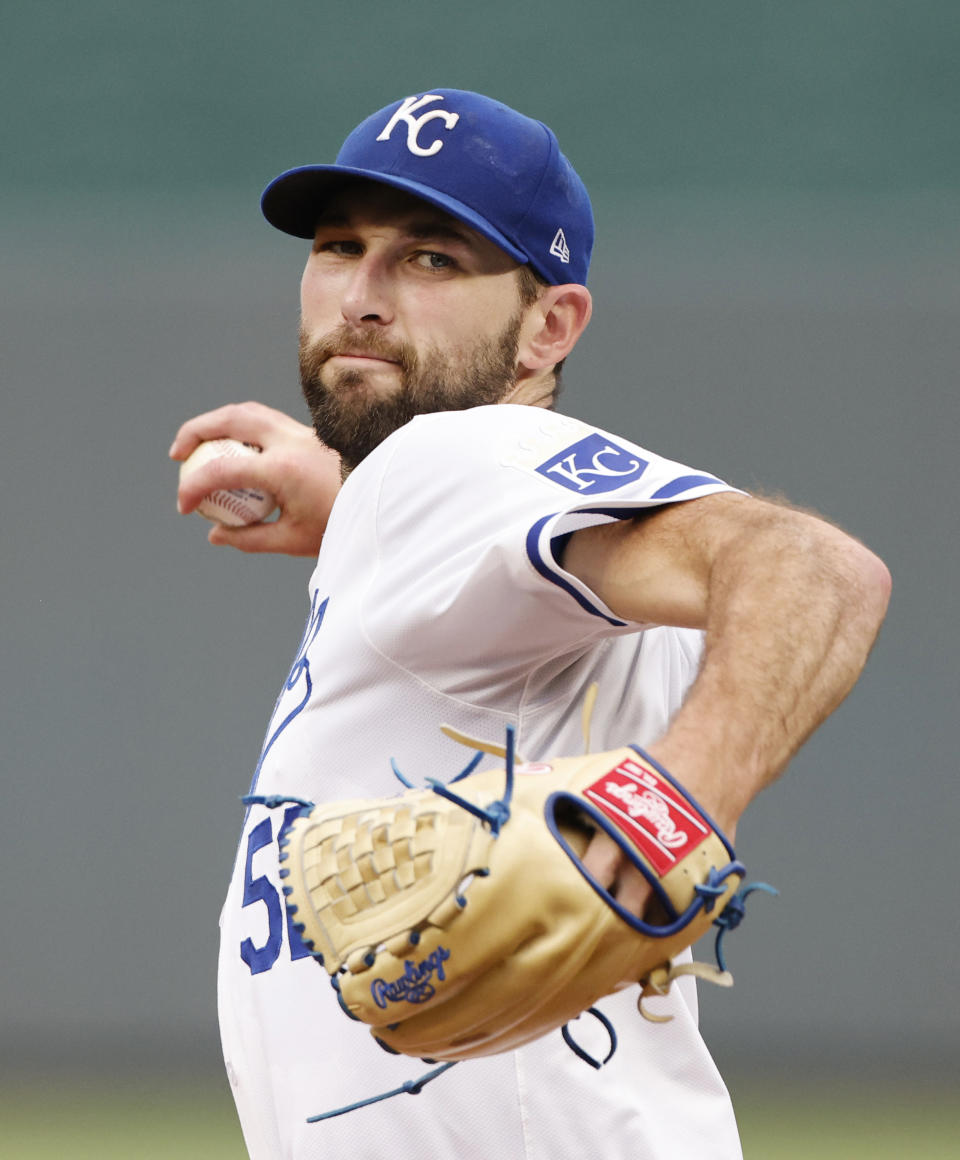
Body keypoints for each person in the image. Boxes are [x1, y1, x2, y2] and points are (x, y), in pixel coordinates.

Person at [171, 89, 890, 1159]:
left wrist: (668, 810)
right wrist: (355, 504)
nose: (361, 296)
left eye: (430, 261)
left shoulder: (440, 468)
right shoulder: (434, 503)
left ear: (549, 325)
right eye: (338, 246)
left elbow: (821, 568)